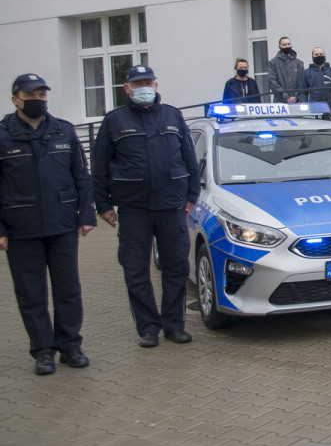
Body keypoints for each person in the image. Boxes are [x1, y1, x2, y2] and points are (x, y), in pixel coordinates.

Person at [92, 65, 201, 347]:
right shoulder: (114, 121)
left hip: (172, 206)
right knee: (136, 270)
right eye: (137, 83)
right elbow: (100, 165)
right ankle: (148, 328)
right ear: (126, 88)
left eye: (148, 82)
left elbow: (190, 158)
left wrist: (191, 196)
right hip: (133, 209)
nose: (144, 87)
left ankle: (174, 325)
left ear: (155, 85)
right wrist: (102, 204)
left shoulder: (172, 115)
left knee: (176, 268)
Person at [0, 74, 95, 375]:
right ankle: (43, 350)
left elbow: (81, 176)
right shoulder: (3, 135)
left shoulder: (63, 131)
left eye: (42, 95)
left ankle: (70, 345)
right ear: (15, 99)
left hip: (62, 224)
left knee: (68, 289)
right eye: (31, 95)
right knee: (31, 293)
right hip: (20, 228)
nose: (38, 100)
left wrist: (86, 214)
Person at [267, 36, 303, 103]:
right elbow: (272, 82)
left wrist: (295, 96)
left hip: (297, 101)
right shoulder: (273, 63)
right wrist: (285, 96)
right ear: (279, 46)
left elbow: (302, 82)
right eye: (284, 45)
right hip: (280, 102)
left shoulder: (299, 63)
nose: (287, 46)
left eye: (288, 44)